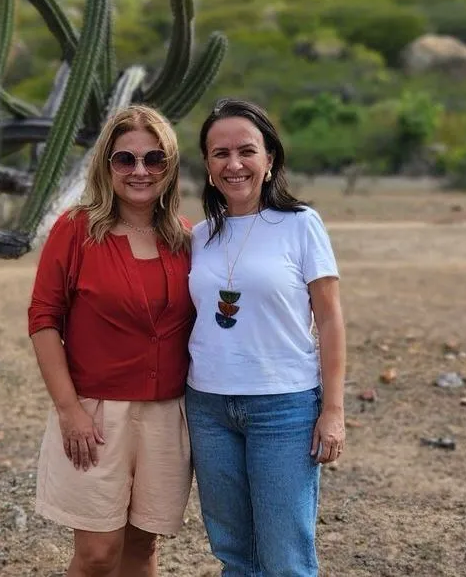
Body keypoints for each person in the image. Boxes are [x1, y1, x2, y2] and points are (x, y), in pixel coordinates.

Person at [27, 105, 194, 577]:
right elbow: (43, 319)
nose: (140, 171)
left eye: (154, 159)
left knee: (142, 550)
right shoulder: (76, 230)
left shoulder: (184, 238)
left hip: (166, 415)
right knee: (98, 554)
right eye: (126, 159)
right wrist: (69, 409)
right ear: (107, 165)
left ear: (170, 166)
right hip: (97, 414)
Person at [185, 98, 347, 576]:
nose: (234, 164)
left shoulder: (302, 225)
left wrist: (333, 411)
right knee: (234, 553)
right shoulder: (198, 237)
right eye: (220, 154)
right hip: (208, 407)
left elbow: (332, 319)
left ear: (269, 158)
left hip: (284, 406)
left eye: (246, 151)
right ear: (208, 166)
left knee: (284, 559)